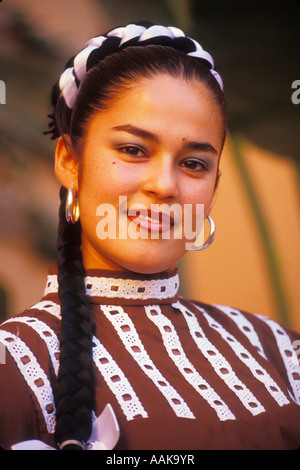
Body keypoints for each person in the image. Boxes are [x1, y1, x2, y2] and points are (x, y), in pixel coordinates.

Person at [0, 22, 299, 451]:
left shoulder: (280, 351)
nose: (165, 185)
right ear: (69, 161)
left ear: (213, 188)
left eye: (194, 163)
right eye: (133, 150)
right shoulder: (14, 364)